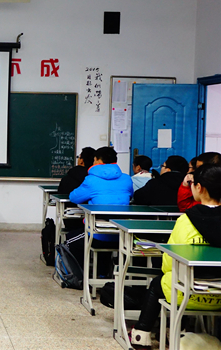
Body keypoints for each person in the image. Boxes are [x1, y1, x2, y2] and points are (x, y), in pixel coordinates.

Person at [130, 164, 221, 347]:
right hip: (219, 296)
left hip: (187, 294)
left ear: (199, 188)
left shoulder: (186, 220)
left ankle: (142, 335)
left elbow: (169, 263)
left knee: (160, 282)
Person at [68, 147, 134, 276]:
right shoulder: (126, 179)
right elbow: (130, 196)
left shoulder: (91, 180)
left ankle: (82, 276)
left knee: (71, 239)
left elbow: (74, 197)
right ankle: (102, 274)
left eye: (94, 160)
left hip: (97, 234)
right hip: (122, 234)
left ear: (98, 161)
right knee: (106, 234)